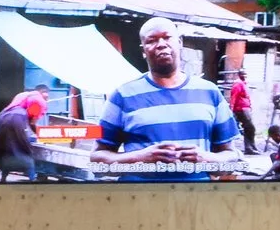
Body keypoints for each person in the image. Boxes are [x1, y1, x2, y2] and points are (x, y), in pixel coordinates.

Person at [93, 16, 236, 181]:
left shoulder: (210, 92)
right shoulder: (122, 95)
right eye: (151, 40)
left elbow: (232, 158)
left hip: (197, 196)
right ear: (143, 51)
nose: (161, 44)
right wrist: (139, 158)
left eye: (167, 37)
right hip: (137, 196)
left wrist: (206, 159)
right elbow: (97, 161)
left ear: (180, 43)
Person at [0, 91, 45, 180]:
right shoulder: (39, 100)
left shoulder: (22, 95)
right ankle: (32, 179)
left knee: (6, 149)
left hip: (2, 116)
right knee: (27, 156)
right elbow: (32, 122)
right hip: (16, 118)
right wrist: (39, 136)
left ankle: (3, 179)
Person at [227, 63, 256, 151]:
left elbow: (246, 97)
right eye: (243, 74)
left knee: (249, 128)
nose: (245, 75)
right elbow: (233, 97)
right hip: (241, 109)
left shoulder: (244, 83)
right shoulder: (238, 84)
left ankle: (251, 146)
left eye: (246, 74)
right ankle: (249, 147)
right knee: (250, 127)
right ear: (240, 75)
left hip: (246, 109)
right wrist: (231, 109)